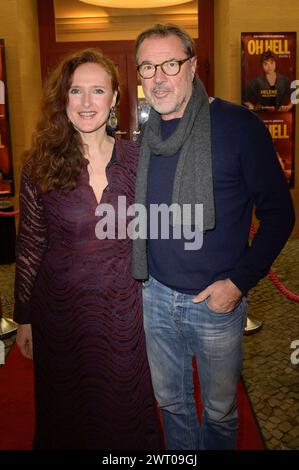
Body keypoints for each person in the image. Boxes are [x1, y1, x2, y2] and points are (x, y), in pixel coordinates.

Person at [132, 24, 295, 450]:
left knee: (220, 411)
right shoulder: (143, 135)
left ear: (192, 67)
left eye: (170, 63)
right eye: (148, 67)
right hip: (155, 296)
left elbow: (280, 215)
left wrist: (238, 284)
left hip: (216, 302)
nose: (159, 77)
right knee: (171, 403)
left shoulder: (239, 125)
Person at [14, 48, 162, 450]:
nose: (86, 102)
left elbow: (161, 230)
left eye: (98, 90)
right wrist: (24, 318)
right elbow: (29, 245)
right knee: (67, 412)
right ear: (64, 98)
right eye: (76, 90)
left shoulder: (138, 159)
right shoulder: (39, 164)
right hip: (60, 311)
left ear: (115, 98)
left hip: (124, 310)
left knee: (125, 408)